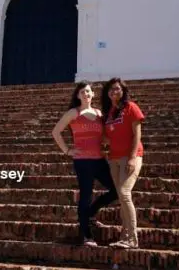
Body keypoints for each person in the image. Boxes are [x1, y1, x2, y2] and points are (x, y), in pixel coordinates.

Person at [52, 81, 118, 247]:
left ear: (93, 94)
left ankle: (90, 214)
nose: (86, 94)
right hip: (82, 161)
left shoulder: (98, 113)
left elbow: (103, 137)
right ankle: (86, 235)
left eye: (88, 91)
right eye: (82, 92)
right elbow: (56, 132)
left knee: (116, 189)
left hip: (99, 160)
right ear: (78, 96)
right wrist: (67, 150)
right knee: (86, 196)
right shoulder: (74, 112)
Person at [101, 77, 145, 249]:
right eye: (111, 89)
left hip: (130, 157)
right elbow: (107, 137)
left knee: (125, 193)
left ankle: (132, 238)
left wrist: (133, 157)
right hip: (114, 158)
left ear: (123, 90)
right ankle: (125, 236)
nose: (114, 91)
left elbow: (137, 134)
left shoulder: (131, 107)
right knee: (121, 196)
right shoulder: (109, 113)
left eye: (117, 88)